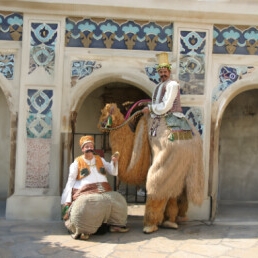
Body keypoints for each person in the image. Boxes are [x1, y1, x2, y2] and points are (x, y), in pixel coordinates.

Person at [141, 52, 204, 233]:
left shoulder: (173, 85)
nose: (163, 73)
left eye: (165, 70)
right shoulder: (157, 87)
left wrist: (151, 108)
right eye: (160, 71)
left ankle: (167, 215)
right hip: (158, 121)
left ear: (169, 71)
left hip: (172, 119)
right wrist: (151, 109)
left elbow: (166, 106)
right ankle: (171, 215)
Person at [61, 135, 129, 240]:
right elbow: (70, 181)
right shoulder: (77, 162)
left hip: (105, 190)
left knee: (118, 199)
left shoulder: (100, 159)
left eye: (91, 146)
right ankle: (83, 230)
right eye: (86, 146)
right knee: (87, 203)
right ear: (83, 149)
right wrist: (67, 201)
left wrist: (114, 162)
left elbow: (112, 171)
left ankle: (116, 226)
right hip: (86, 191)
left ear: (93, 148)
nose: (89, 148)